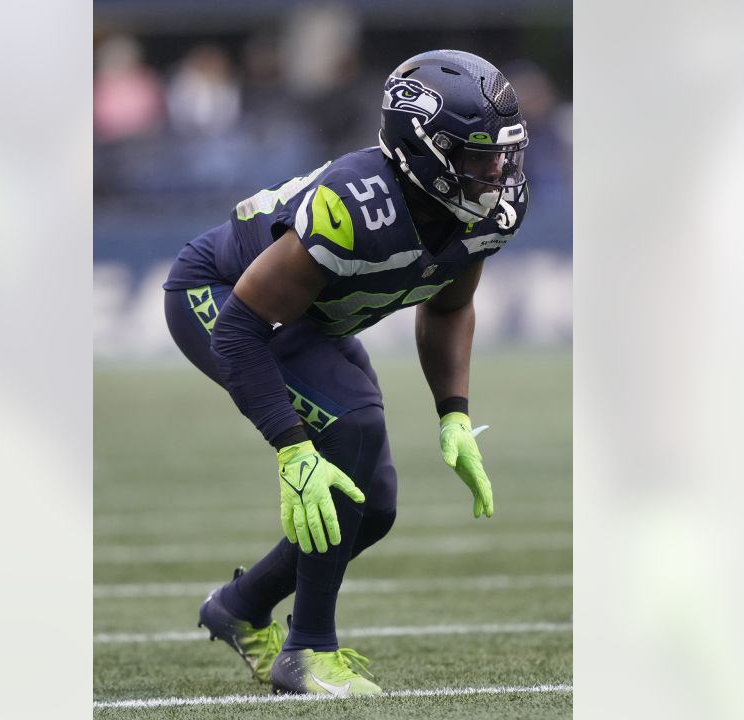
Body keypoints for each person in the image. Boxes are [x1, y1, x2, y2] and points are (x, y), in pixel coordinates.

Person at [162, 49, 530, 696]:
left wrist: (454, 413)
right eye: (476, 156)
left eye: (503, 153)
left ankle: (240, 606)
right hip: (222, 299)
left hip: (305, 320)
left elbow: (450, 306)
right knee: (352, 429)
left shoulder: (489, 211)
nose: (496, 171)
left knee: (374, 506)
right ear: (420, 149)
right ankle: (307, 653)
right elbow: (241, 327)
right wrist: (291, 447)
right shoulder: (358, 204)